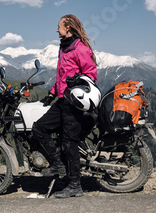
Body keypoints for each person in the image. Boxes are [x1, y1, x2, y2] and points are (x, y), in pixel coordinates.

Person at [32, 14, 97, 198]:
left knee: (70, 143)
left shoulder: (80, 49)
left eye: (59, 26)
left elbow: (91, 74)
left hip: (73, 104)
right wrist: (52, 92)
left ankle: (75, 185)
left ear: (68, 27)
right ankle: (57, 163)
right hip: (61, 101)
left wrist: (78, 81)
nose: (56, 29)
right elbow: (62, 75)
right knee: (39, 127)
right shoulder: (64, 48)